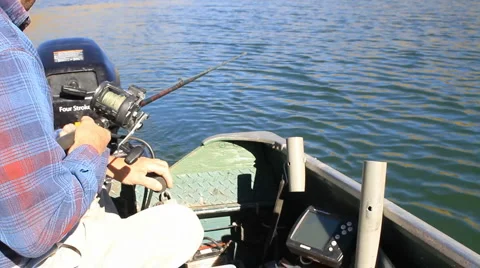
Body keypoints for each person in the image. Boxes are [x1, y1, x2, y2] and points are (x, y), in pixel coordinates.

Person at [0, 1, 204, 267]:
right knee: (182, 224)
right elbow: (36, 230)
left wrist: (104, 161)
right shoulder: (8, 50)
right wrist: (91, 149)